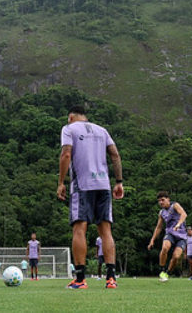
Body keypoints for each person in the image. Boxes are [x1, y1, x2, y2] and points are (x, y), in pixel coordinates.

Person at [57, 105, 124, 290]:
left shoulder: (68, 129)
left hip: (82, 185)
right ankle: (111, 279)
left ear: (70, 117)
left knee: (79, 229)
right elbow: (115, 155)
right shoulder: (102, 130)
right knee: (106, 231)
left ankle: (80, 279)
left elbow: (66, 154)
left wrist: (61, 182)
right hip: (104, 185)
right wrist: (118, 181)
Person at [148, 191, 188, 281]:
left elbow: (184, 214)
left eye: (163, 200)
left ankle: (168, 273)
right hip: (170, 233)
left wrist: (178, 224)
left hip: (181, 236)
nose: (161, 202)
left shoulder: (175, 205)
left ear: (168, 199)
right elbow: (158, 227)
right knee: (165, 247)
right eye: (159, 201)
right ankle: (162, 270)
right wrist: (152, 239)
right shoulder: (161, 213)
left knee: (176, 257)